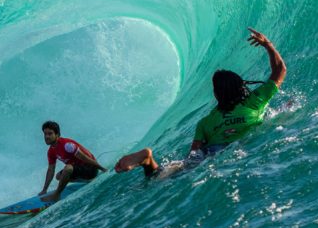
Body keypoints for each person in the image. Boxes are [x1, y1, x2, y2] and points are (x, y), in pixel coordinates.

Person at [115, 28, 286, 179]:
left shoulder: (205, 122)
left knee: (172, 171)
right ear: (242, 87)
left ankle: (148, 160)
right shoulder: (254, 101)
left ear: (216, 95)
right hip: (232, 147)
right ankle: (147, 160)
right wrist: (267, 44)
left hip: (211, 151)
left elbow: (194, 154)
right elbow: (280, 70)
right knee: (285, 111)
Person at [40, 121, 107, 202]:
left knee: (67, 168)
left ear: (57, 134)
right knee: (58, 176)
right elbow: (51, 170)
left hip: (90, 169)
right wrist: (44, 190)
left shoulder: (67, 145)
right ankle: (87, 181)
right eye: (45, 134)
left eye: (50, 134)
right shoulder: (51, 151)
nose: (47, 136)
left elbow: (86, 158)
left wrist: (102, 168)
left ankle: (56, 195)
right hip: (79, 170)